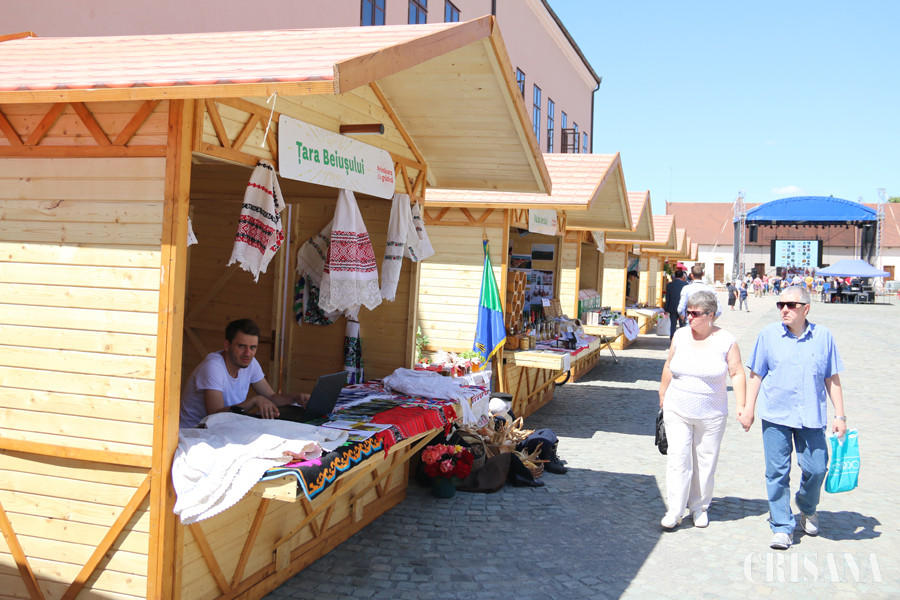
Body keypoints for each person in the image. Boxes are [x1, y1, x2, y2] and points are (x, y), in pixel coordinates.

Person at [738, 286, 846, 550]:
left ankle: (807, 506)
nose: (784, 309)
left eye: (790, 305)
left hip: (812, 416)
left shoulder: (823, 336)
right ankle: (782, 526)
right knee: (777, 472)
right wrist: (749, 408)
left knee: (817, 468)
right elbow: (756, 375)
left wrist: (840, 415)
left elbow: (832, 377)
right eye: (781, 305)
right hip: (776, 415)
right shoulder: (768, 335)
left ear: (806, 309)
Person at [658, 291, 746, 530]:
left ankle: (699, 507)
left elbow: (737, 373)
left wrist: (742, 406)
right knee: (678, 458)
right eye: (688, 312)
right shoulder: (680, 335)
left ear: (710, 315)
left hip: (711, 414)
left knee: (705, 461)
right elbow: (669, 365)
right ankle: (674, 510)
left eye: (695, 314)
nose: (689, 317)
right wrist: (663, 392)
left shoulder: (726, 340)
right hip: (677, 409)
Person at [180, 318, 310, 428]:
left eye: (253, 347)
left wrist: (295, 398)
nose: (248, 353)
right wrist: (253, 401)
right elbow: (215, 416)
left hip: (224, 429)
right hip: (195, 433)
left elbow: (271, 397)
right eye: (242, 346)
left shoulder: (250, 363)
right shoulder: (213, 366)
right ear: (227, 345)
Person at [664, 269, 688, 339]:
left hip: (672, 307)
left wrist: (666, 309)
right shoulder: (685, 284)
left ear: (675, 276)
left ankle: (672, 338)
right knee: (682, 324)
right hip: (682, 307)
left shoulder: (669, 285)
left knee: (673, 324)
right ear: (682, 276)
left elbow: (667, 298)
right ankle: (682, 338)